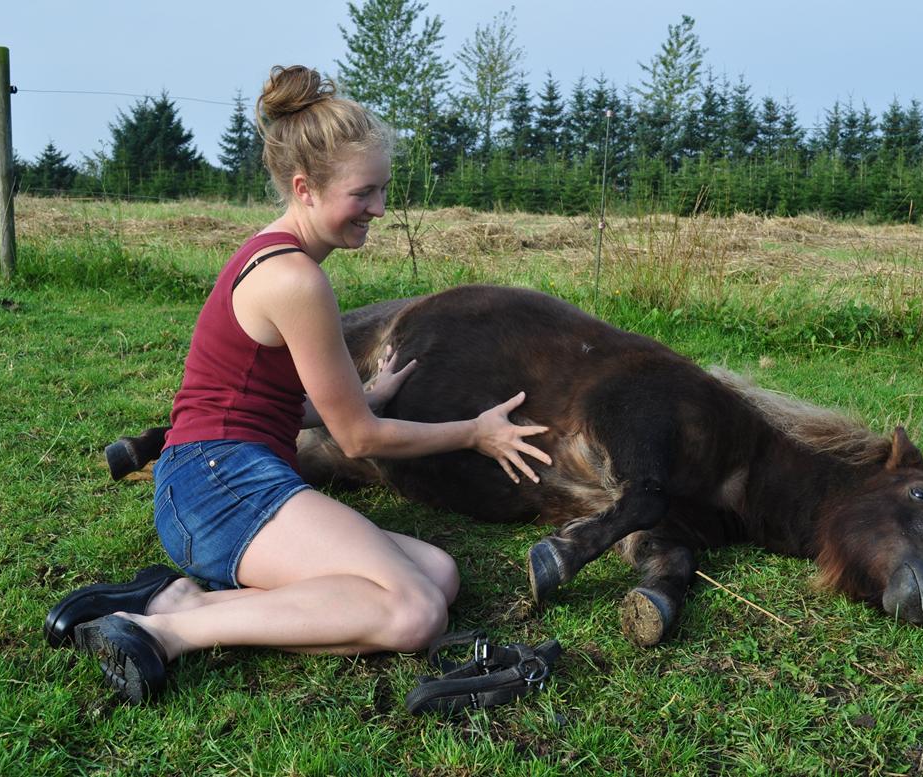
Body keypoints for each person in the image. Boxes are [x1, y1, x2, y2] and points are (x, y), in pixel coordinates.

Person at [44, 65, 552, 704]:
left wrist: (363, 395)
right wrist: (476, 433)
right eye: (364, 192)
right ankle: (161, 629)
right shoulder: (295, 279)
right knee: (415, 613)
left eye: (383, 190)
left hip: (226, 474)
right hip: (217, 485)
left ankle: (176, 595)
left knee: (439, 575)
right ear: (306, 187)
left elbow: (267, 398)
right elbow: (359, 441)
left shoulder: (277, 256)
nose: (379, 209)